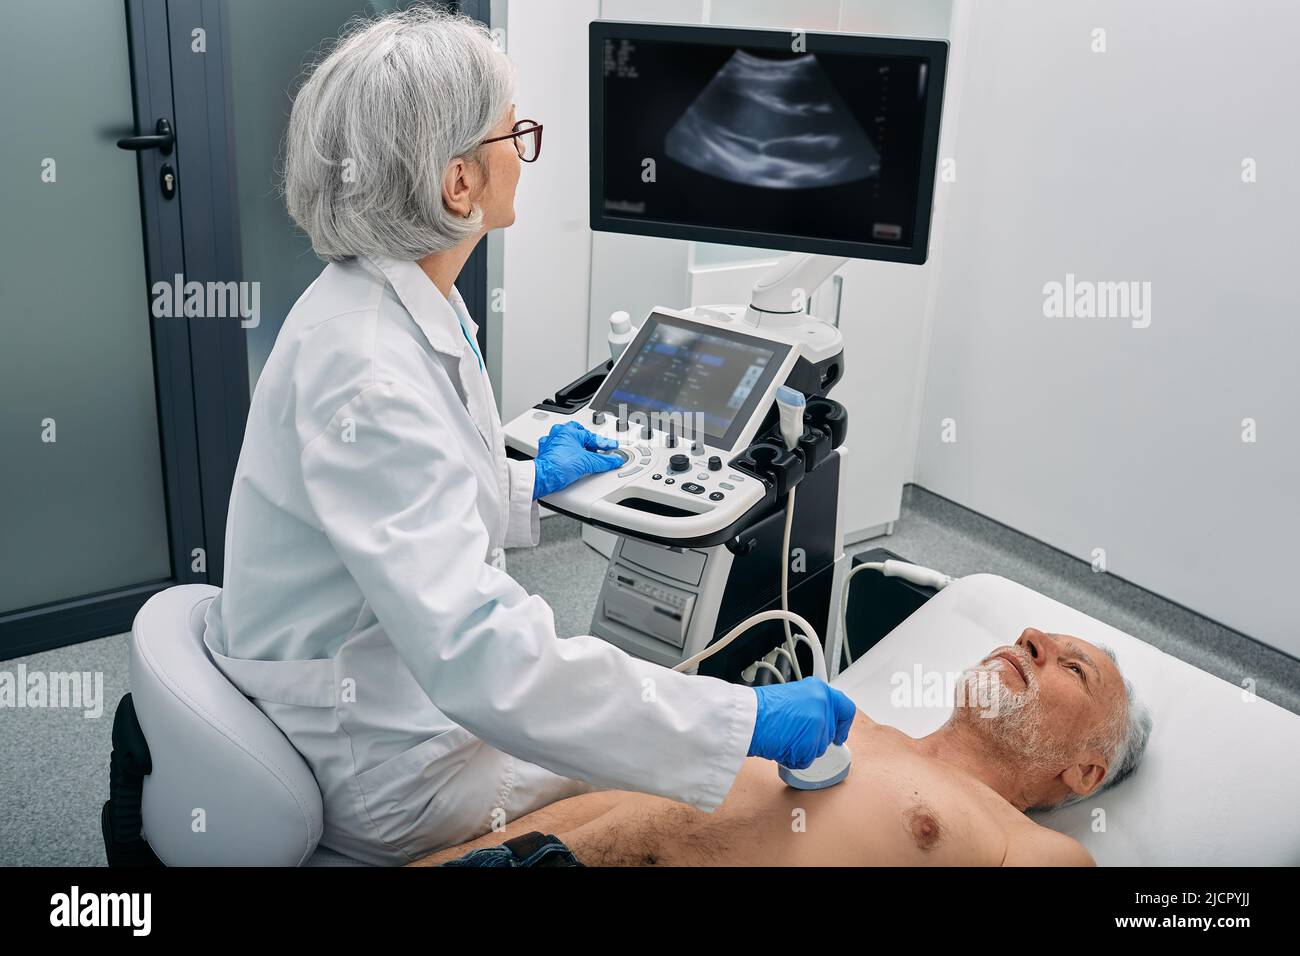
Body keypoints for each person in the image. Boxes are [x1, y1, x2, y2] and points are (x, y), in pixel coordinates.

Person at [201, 7, 853, 865]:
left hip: (372, 691)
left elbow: (399, 513)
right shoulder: (368, 366)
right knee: (704, 799)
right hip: (390, 767)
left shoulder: (382, 303)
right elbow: (484, 657)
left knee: (662, 734)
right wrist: (741, 721)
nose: (524, 148)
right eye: (516, 132)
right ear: (458, 185)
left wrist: (518, 483)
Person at [419, 629, 1153, 866]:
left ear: (1084, 771)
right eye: (1036, 637)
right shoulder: (835, 724)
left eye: (1072, 667)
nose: (1032, 641)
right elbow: (613, 801)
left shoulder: (1028, 847)